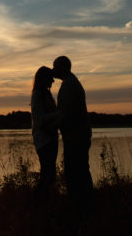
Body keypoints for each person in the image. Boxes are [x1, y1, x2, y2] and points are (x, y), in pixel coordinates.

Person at [52, 55, 93, 205]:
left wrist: (54, 125)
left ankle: (80, 204)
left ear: (62, 67)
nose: (53, 70)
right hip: (78, 135)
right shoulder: (71, 83)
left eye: (55, 67)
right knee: (80, 170)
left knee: (75, 172)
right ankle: (85, 203)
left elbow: (68, 112)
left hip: (75, 136)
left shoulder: (69, 85)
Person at [30, 66, 61, 200]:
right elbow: (39, 119)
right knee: (47, 175)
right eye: (51, 78)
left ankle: (44, 202)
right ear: (44, 79)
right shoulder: (38, 94)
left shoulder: (46, 94)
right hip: (43, 140)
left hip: (51, 138)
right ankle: (37, 201)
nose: (53, 81)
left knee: (50, 174)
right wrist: (59, 114)